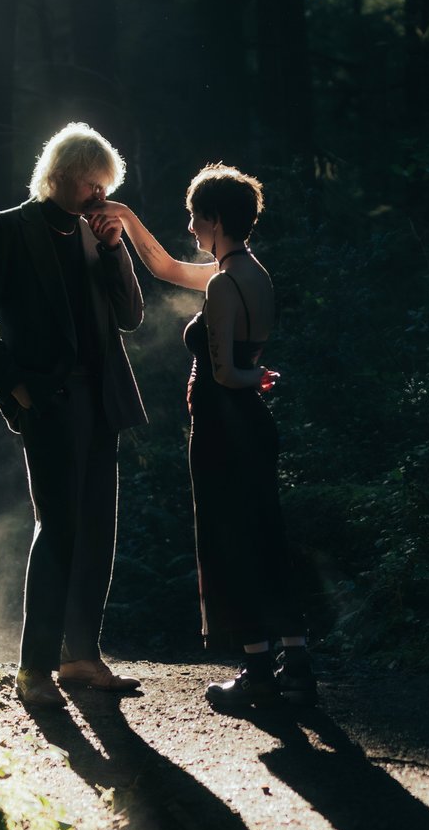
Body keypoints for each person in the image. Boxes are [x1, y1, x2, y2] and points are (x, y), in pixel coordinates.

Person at [0, 122, 148, 706]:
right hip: (50, 401)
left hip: (103, 400)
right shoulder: (7, 230)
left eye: (106, 188)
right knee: (59, 526)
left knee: (98, 529)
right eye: (93, 185)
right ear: (62, 175)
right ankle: (34, 668)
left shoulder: (99, 236)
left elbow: (132, 317)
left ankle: (81, 658)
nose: (101, 198)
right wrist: (16, 388)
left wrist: (117, 249)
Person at [108, 165, 314, 708]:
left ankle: (256, 673)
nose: (192, 228)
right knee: (267, 537)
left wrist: (260, 378)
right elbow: (166, 267)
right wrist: (125, 216)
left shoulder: (224, 284)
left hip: (224, 426)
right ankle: (296, 667)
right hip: (250, 427)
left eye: (196, 217)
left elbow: (227, 372)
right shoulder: (252, 273)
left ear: (217, 219)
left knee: (229, 541)